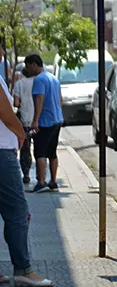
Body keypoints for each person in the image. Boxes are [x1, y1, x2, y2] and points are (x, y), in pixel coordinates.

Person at [0, 73, 53, 287]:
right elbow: (5, 112)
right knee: (18, 211)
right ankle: (23, 269)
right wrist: (20, 133)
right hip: (2, 151)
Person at [24, 54, 64, 193]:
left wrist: (35, 120)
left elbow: (39, 100)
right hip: (57, 119)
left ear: (34, 64)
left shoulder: (39, 80)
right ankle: (53, 181)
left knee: (40, 152)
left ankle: (41, 182)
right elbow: (60, 99)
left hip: (45, 121)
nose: (27, 70)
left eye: (28, 66)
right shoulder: (53, 78)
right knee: (52, 152)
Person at [12, 67, 35, 184]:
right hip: (37, 120)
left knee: (25, 149)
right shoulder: (38, 82)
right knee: (40, 149)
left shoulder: (19, 84)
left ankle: (26, 174)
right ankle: (42, 175)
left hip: (24, 119)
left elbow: (16, 103)